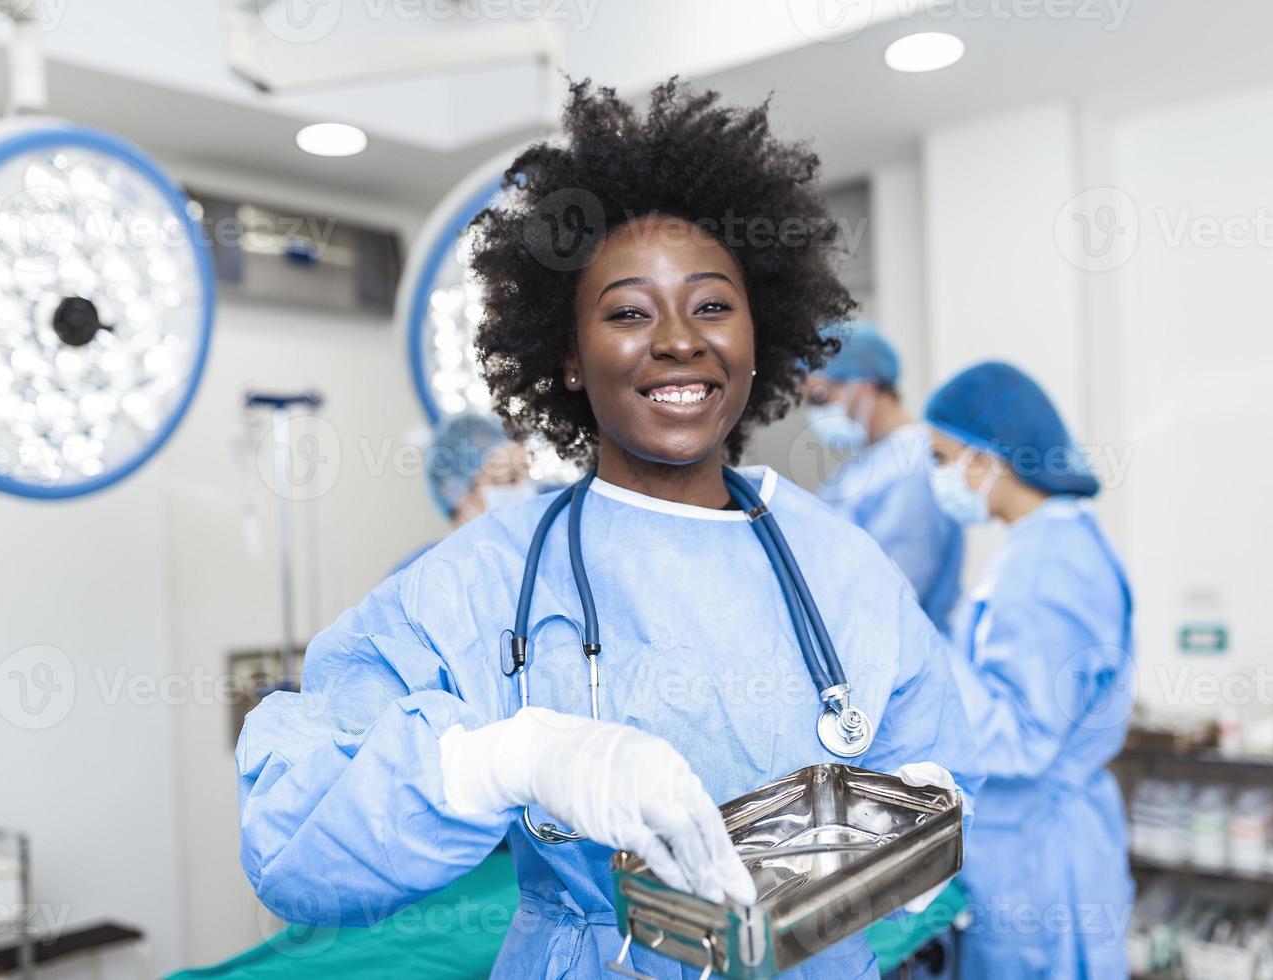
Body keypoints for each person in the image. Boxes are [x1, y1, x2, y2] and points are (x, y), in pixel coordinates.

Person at [236, 80, 983, 979]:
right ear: (567, 354)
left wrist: (926, 805)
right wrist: (512, 760)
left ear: (762, 332)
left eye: (712, 306)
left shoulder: (837, 564)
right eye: (628, 312)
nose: (678, 341)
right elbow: (288, 840)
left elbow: (939, 760)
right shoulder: (487, 580)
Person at [924, 362, 1134, 979]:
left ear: (987, 458)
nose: (939, 479)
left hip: (1041, 861)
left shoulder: (1047, 568)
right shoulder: (1045, 546)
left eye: (943, 458)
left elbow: (1022, 740)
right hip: (1031, 846)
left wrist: (927, 654)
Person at [804, 323, 964, 631]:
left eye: (820, 396)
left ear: (864, 386)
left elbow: (897, 589)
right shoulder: (859, 465)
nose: (813, 411)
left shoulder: (913, 466)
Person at [389, 412, 540, 575]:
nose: (526, 489)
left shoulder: (531, 555)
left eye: (526, 474)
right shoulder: (423, 574)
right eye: (510, 479)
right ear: (457, 492)